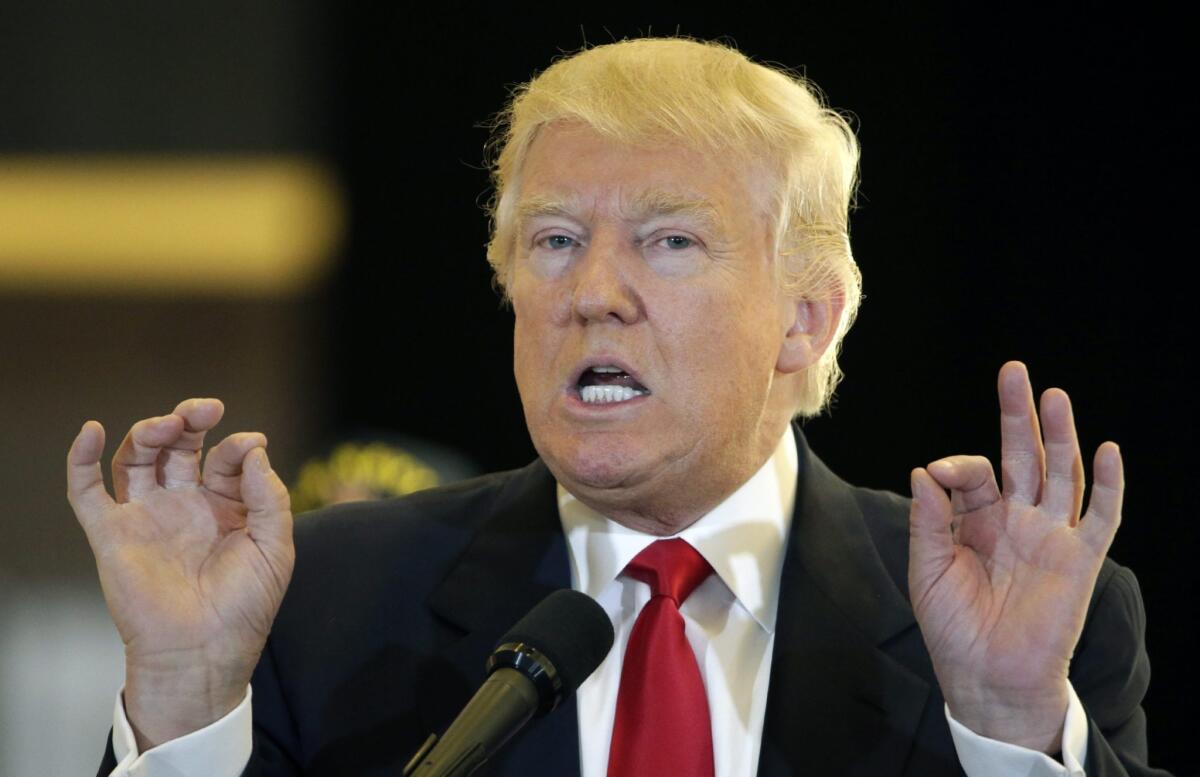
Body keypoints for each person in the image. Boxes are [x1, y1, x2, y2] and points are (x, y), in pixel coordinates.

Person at [69, 38, 1169, 776]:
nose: (591, 293)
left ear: (806, 319)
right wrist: (183, 694)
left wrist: (1012, 729)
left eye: (669, 241)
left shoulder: (1019, 631)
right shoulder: (324, 608)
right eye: (552, 242)